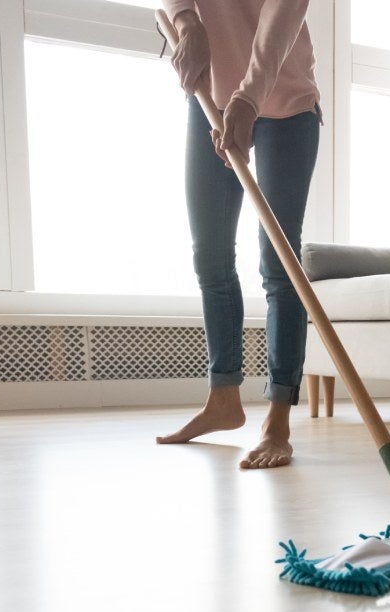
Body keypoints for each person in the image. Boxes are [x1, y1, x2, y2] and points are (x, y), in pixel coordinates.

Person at [154, 0, 321, 470]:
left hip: (286, 103)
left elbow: (282, 16)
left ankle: (278, 420)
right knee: (210, 254)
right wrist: (187, 23)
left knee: (279, 262)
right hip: (211, 95)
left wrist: (248, 98)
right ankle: (223, 399)